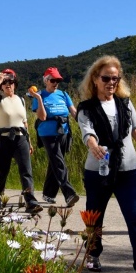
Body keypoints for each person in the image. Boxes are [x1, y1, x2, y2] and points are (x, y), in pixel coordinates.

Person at [76, 55, 136, 273]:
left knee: (134, 218)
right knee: (95, 217)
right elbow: (87, 132)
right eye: (106, 78)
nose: (111, 82)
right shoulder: (86, 108)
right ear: (95, 79)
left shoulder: (125, 103)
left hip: (129, 170)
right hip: (98, 171)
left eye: (116, 78)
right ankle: (93, 254)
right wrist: (94, 146)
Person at [0, 69, 43, 214]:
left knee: (26, 171)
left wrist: (29, 141)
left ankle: (30, 201)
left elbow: (25, 122)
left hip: (20, 138)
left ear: (15, 83)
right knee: (2, 171)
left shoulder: (21, 100)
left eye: (10, 82)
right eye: (4, 82)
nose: (7, 84)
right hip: (4, 139)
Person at [28, 67, 79, 207]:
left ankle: (48, 194)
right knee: (58, 162)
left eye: (58, 80)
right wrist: (38, 98)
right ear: (46, 80)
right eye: (52, 80)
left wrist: (84, 124)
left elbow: (73, 112)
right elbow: (42, 117)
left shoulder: (63, 94)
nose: (55, 83)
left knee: (55, 163)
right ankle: (69, 193)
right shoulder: (39, 95)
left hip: (63, 131)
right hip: (47, 133)